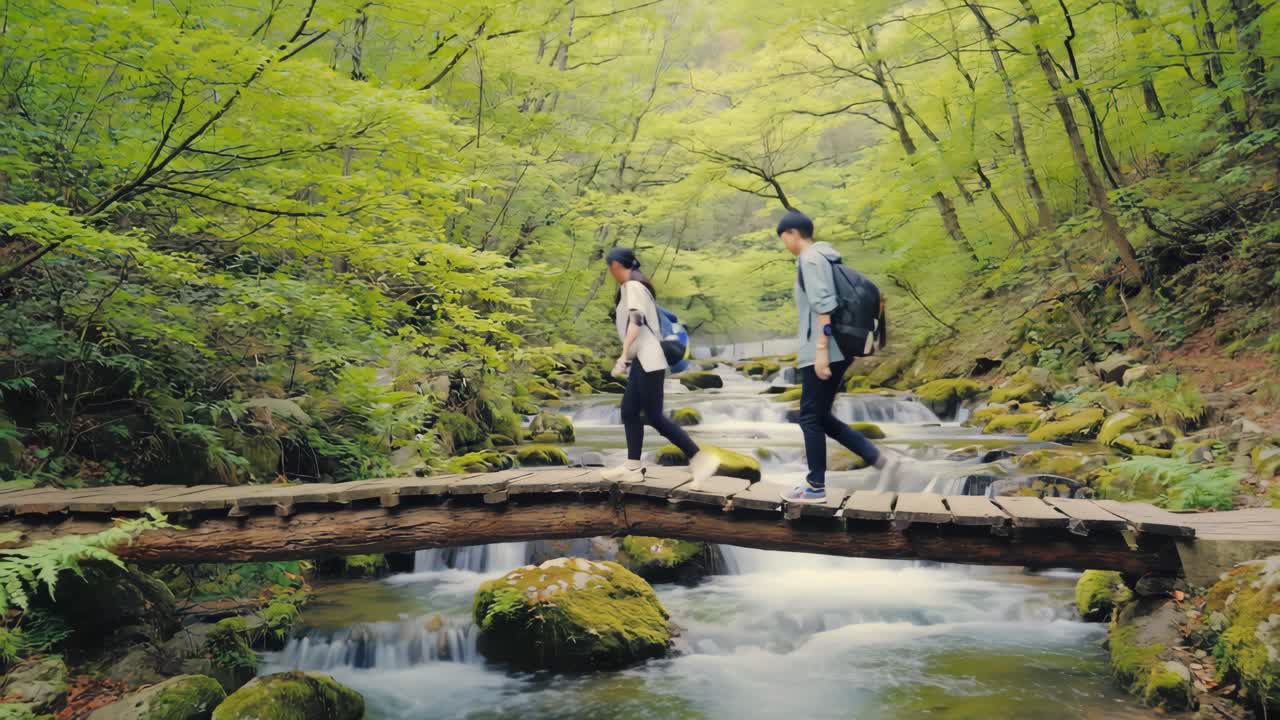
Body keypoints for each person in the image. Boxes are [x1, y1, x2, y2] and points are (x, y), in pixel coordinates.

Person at [775, 211, 895, 503]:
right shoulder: (827, 257)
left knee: (809, 418)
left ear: (792, 233)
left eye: (784, 238)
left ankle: (815, 486)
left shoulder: (811, 259)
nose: (785, 244)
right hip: (837, 347)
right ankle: (879, 459)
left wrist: (820, 353)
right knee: (821, 417)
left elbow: (823, 306)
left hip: (826, 349)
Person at [600, 247, 718, 485]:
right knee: (630, 412)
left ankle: (700, 458)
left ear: (616, 266)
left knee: (654, 416)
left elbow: (636, 321)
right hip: (644, 359)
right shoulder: (634, 286)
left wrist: (622, 356)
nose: (610, 271)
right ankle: (633, 466)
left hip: (649, 359)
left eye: (610, 267)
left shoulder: (633, 286)